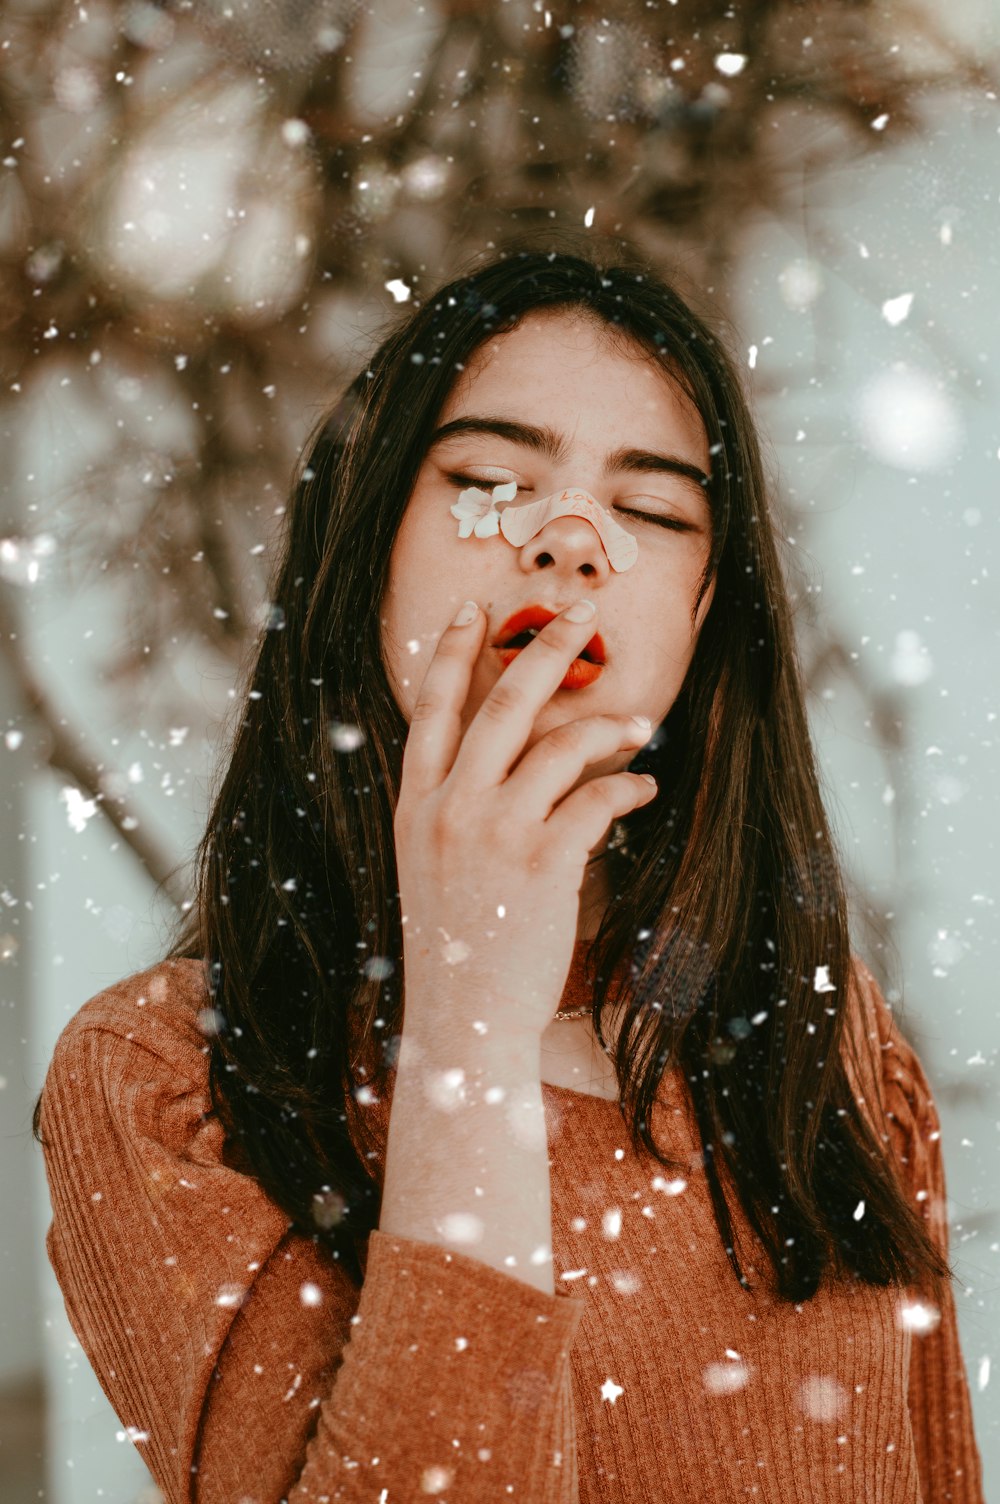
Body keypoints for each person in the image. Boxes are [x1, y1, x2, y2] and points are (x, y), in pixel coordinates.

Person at [37, 246, 984, 1504]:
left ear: (702, 620)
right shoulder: (168, 1086)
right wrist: (468, 1022)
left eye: (651, 511)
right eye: (490, 480)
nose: (571, 543)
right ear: (364, 544)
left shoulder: (828, 1047)